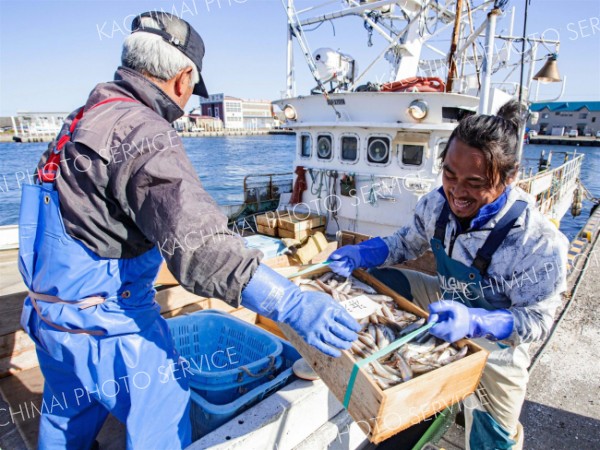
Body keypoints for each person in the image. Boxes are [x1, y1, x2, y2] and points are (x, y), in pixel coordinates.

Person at [19, 11, 360, 450]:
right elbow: (201, 249)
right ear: (182, 79)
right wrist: (292, 304)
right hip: (108, 328)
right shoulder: (144, 131)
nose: (188, 105)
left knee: (68, 415)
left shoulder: (82, 118)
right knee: (162, 414)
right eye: (191, 93)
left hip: (50, 317)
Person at [328, 101, 568, 450]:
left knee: (493, 440)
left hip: (498, 342)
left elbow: (536, 321)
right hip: (447, 299)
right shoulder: (436, 204)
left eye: (475, 182)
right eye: (450, 175)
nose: (457, 192)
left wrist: (476, 321)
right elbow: (404, 243)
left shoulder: (537, 240)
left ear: (510, 175)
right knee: (385, 281)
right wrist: (364, 253)